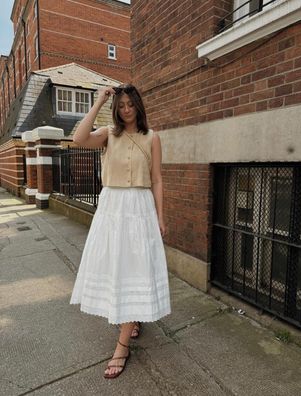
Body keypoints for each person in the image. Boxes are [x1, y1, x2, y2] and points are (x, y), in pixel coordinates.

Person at [70, 84, 171, 379]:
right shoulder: (108, 134)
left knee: (135, 269)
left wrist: (160, 216)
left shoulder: (152, 138)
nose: (126, 110)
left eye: (130, 104)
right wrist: (100, 100)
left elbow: (157, 180)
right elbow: (78, 138)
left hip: (139, 208)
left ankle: (121, 347)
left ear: (138, 106)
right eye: (121, 105)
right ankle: (132, 316)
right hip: (112, 208)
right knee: (118, 269)